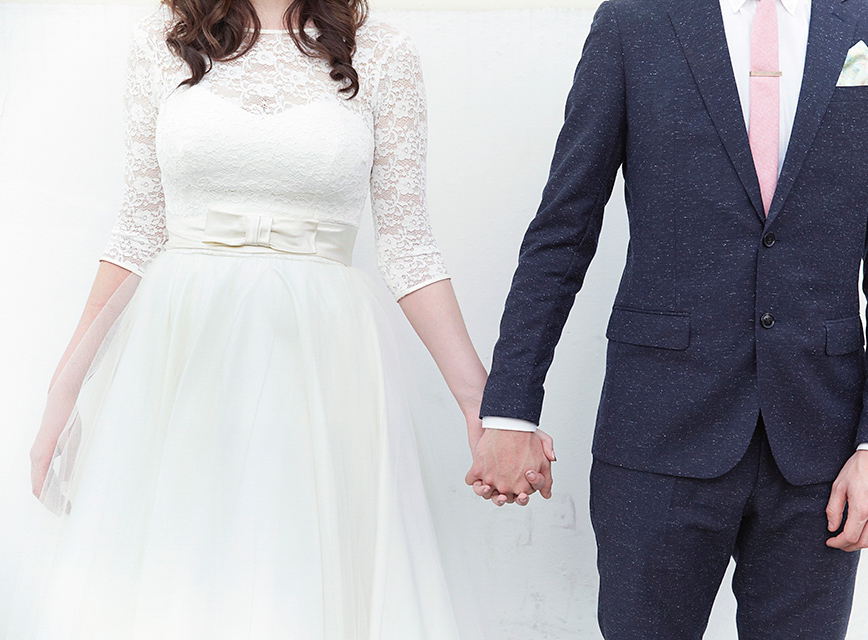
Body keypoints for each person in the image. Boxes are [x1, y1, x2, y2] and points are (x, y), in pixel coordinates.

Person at [12, 0, 549, 637]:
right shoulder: (161, 41)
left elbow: (408, 242)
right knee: (177, 578)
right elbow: (137, 229)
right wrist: (65, 391)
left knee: (300, 573)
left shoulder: (382, 51)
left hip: (320, 365)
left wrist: (482, 404)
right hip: (183, 363)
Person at [468, 0, 868, 638]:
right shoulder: (635, 22)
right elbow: (562, 232)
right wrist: (510, 410)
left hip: (822, 455)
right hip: (656, 434)